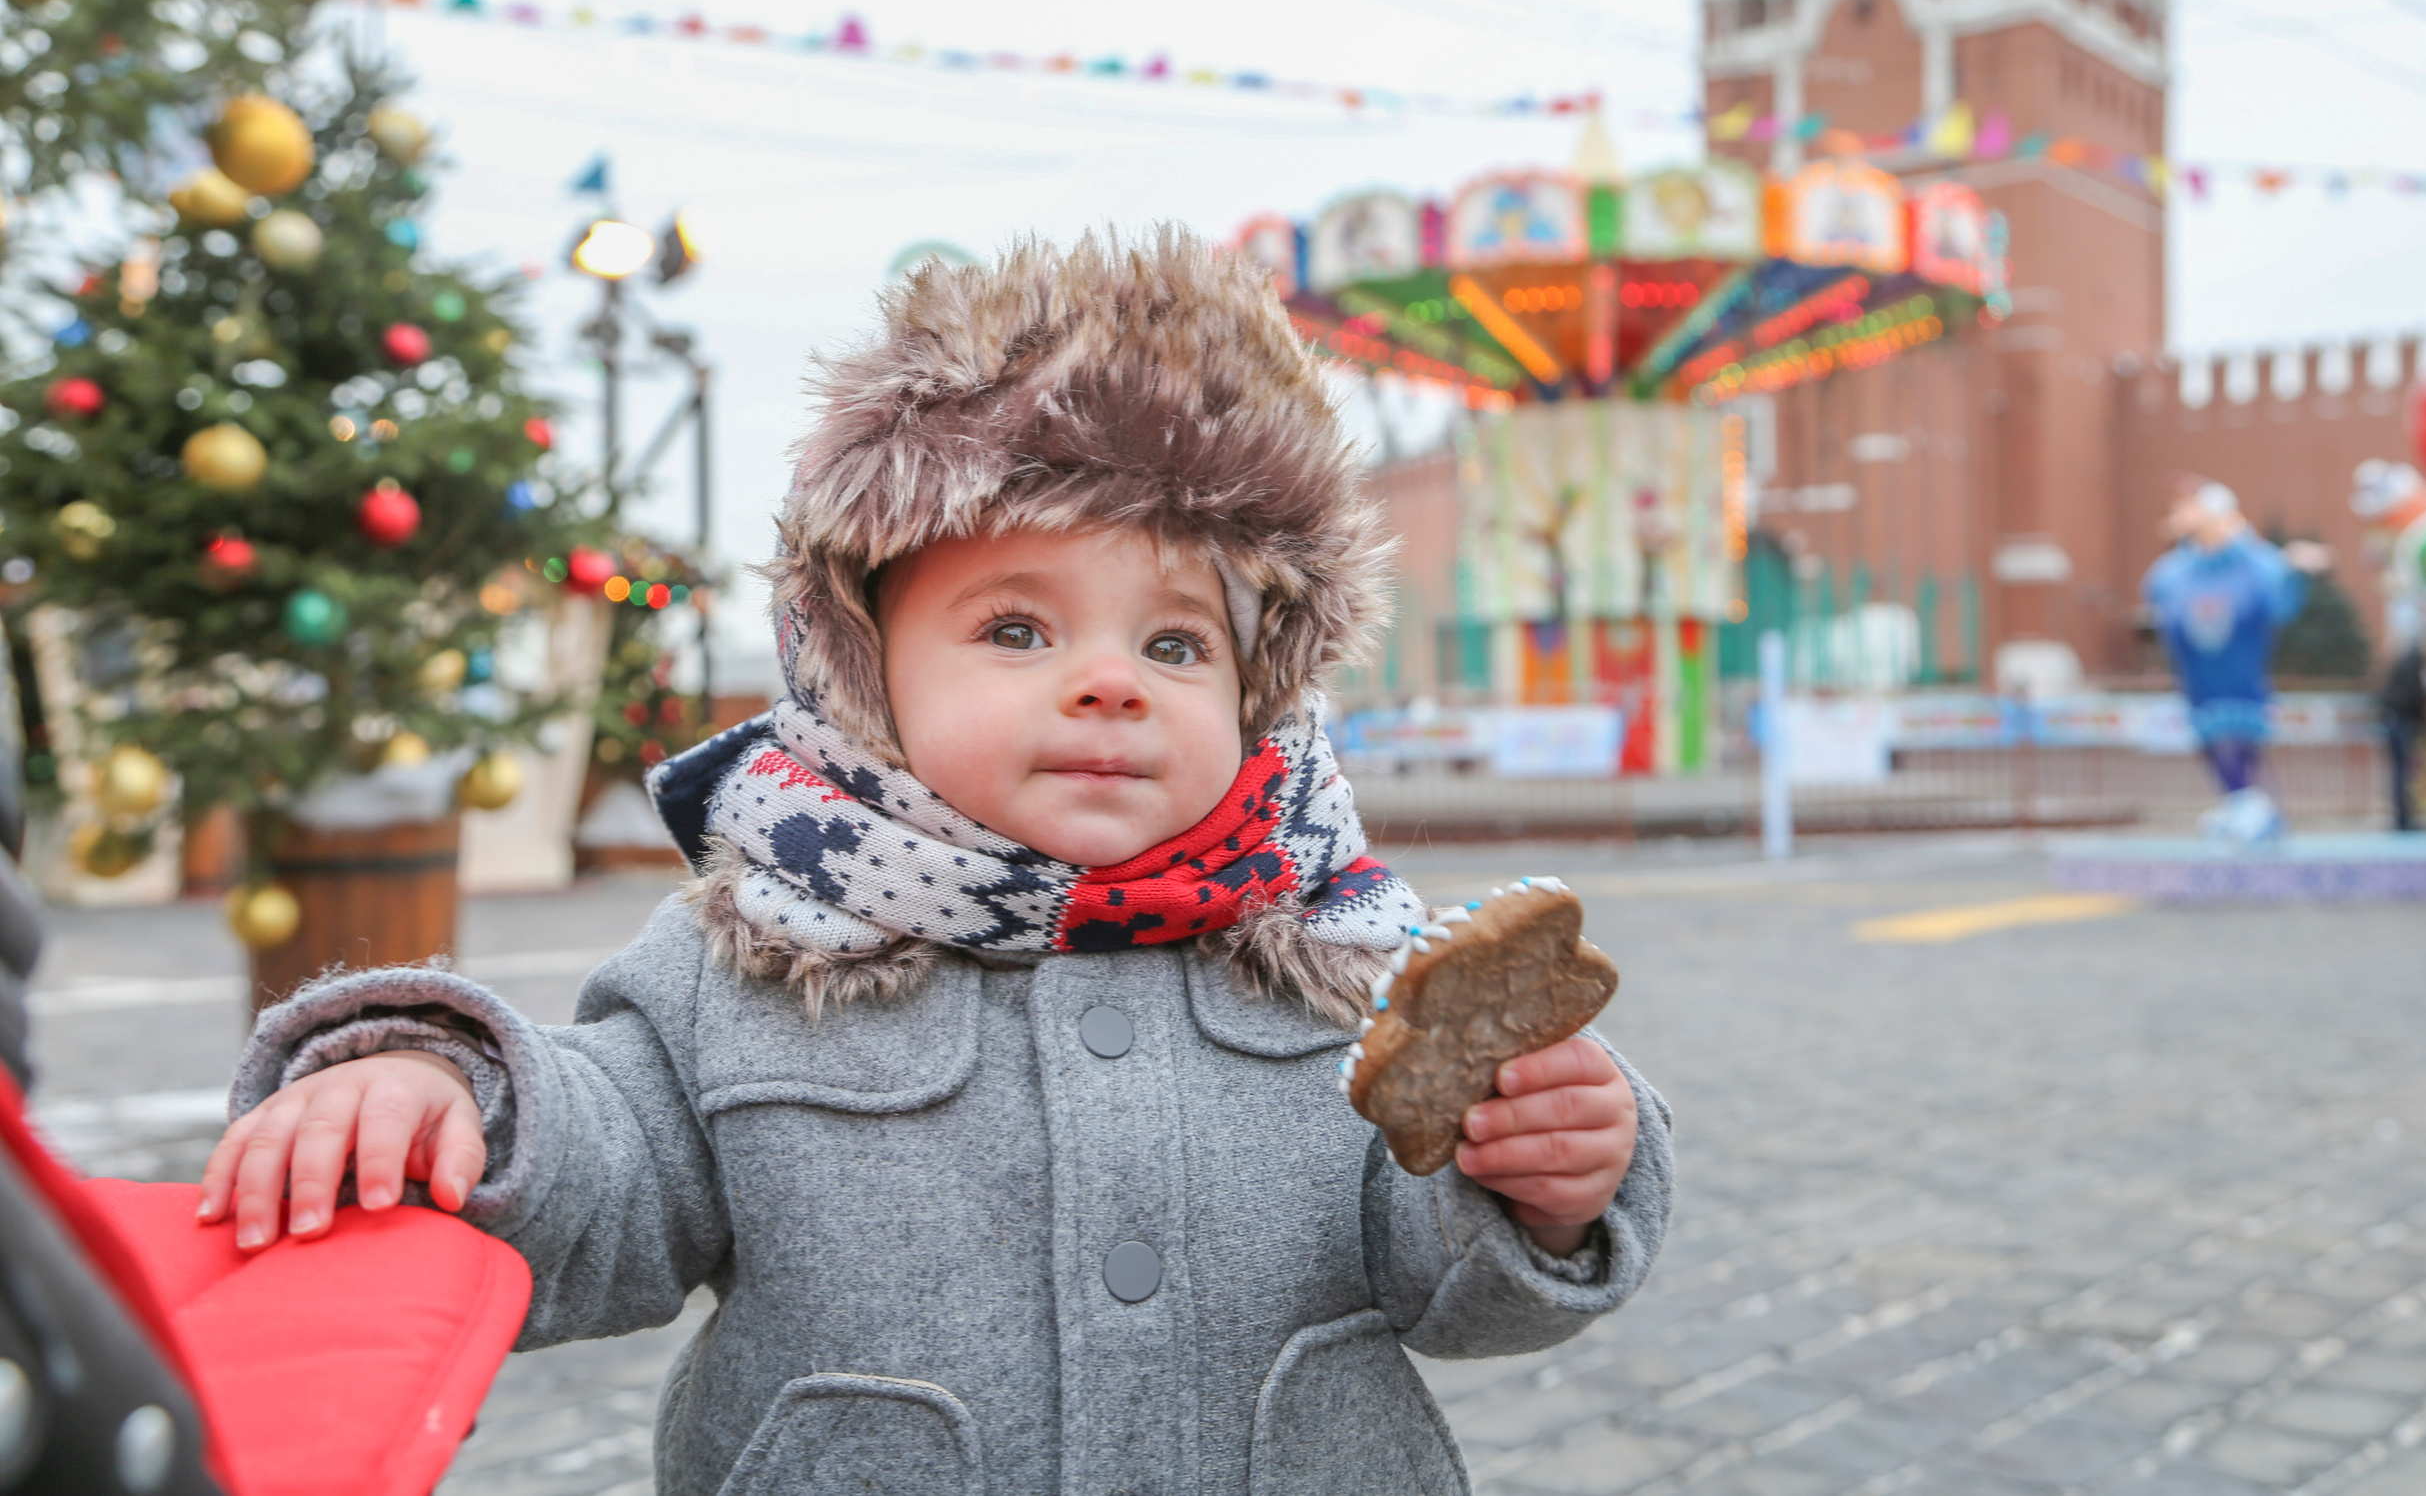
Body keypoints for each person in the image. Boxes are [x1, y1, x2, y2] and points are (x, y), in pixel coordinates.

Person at [194, 231, 1675, 1496]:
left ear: (1260, 686)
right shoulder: (765, 946)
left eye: (1175, 641)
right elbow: (617, 1158)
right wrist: (448, 1085)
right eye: (1018, 628)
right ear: (863, 668)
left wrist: (1540, 1180)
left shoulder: (1340, 952)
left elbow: (1439, 1280)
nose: (1110, 682)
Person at [2142, 481, 2330, 842]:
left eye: (2189, 508)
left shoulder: (2256, 562)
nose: (2180, 516)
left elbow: (2283, 602)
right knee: (2209, 737)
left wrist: (2298, 572)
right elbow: (2158, 608)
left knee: (2239, 735)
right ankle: (2240, 804)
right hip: (2196, 675)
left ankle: (2251, 805)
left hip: (2240, 669)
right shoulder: (2173, 570)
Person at [2375, 636, 2426, 833]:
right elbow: (2415, 695)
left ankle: (2402, 817)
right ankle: (2404, 818)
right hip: (2400, 722)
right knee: (2402, 772)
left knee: (2399, 772)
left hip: (2393, 720)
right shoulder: (2414, 665)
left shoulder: (2404, 663)